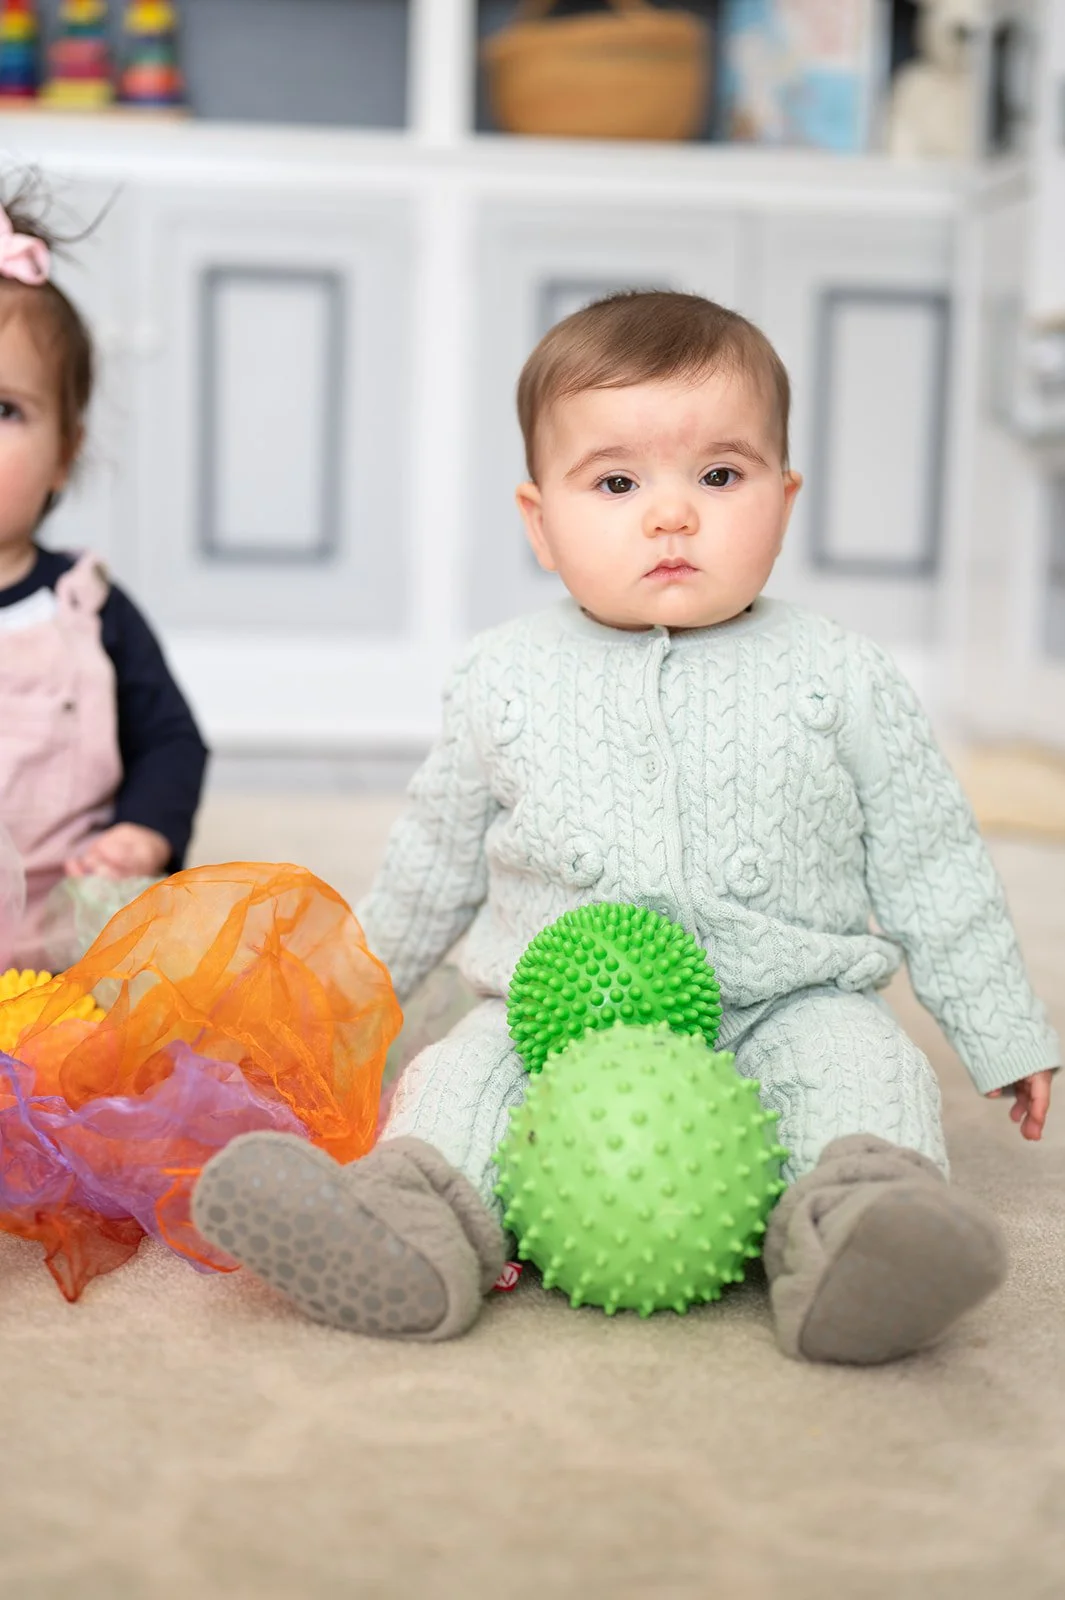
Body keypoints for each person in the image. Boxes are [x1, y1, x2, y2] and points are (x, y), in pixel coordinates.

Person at [193, 291, 1058, 1364]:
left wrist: (1000, 1027)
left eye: (720, 476)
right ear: (539, 520)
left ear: (785, 500)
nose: (671, 514)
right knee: (457, 1081)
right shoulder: (501, 677)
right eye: (616, 482)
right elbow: (430, 867)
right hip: (551, 1016)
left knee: (865, 1072)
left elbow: (933, 863)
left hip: (782, 998)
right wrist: (327, 1016)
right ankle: (410, 1227)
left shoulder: (841, 675)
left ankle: (859, 1237)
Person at [0, 190, 207, 970]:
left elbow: (171, 742)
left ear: (65, 449)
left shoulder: (88, 609)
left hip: (68, 955)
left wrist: (142, 832)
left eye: (3, 408)